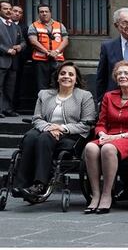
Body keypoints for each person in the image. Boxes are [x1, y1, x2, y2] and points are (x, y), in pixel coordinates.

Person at [11, 61, 96, 199]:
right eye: (62, 73)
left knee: (44, 138)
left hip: (71, 136)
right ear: (57, 77)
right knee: (30, 137)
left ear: (76, 79)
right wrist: (49, 127)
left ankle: (40, 184)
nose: (66, 76)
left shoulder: (84, 96)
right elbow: (37, 118)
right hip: (45, 130)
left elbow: (87, 124)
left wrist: (62, 128)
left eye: (70, 74)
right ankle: (21, 185)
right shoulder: (44, 94)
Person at [83, 61, 128, 214]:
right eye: (119, 73)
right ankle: (95, 194)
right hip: (108, 136)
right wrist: (102, 134)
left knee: (108, 148)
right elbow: (101, 122)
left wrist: (117, 137)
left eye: (126, 73)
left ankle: (107, 194)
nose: (122, 76)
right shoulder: (109, 96)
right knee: (90, 147)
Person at [27, 4, 68, 95]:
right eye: (41, 12)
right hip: (40, 61)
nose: (44, 13)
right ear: (38, 14)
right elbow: (33, 41)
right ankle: (42, 108)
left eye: (46, 11)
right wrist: (47, 52)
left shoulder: (60, 25)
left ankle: (55, 108)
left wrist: (56, 52)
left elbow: (65, 41)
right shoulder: (33, 26)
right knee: (41, 88)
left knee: (57, 85)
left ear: (50, 13)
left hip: (57, 60)